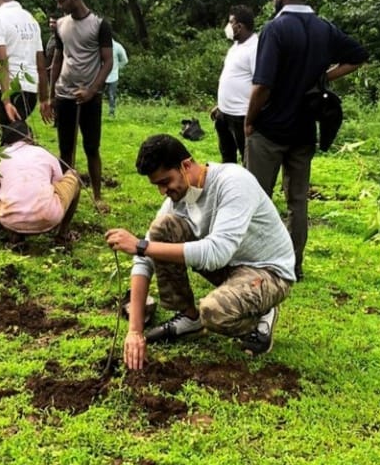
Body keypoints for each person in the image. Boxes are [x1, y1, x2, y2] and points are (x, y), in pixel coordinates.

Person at [105, 134, 296, 369]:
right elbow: (144, 259)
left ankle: (262, 314)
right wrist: (134, 331)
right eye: (157, 185)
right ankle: (189, 318)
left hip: (268, 272)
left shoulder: (233, 183)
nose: (163, 191)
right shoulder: (178, 197)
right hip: (231, 268)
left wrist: (141, 246)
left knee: (214, 312)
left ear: (186, 165)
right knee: (162, 228)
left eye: (166, 181)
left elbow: (217, 252)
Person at [245, 0, 368, 280]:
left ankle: (258, 262)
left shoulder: (276, 28)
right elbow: (357, 55)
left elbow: (262, 86)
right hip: (304, 131)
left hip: (270, 129)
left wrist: (249, 120)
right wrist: (323, 77)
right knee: (298, 203)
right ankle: (293, 266)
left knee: (257, 197)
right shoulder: (324, 28)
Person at [47, 0, 113, 208]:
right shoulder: (62, 25)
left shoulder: (99, 24)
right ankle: (67, 196)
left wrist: (92, 90)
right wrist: (51, 94)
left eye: (62, 0)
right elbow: (57, 58)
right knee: (66, 149)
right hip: (64, 94)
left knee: (91, 147)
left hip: (89, 98)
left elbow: (108, 62)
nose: (59, 5)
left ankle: (97, 196)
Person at [0, 120, 80, 244]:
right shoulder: (46, 154)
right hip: (49, 218)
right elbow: (58, 184)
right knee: (74, 176)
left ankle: (14, 233)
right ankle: (63, 234)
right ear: (30, 136)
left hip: (10, 220)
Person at [0, 0, 49, 131]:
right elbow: (41, 63)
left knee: (10, 143)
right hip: (30, 90)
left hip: (11, 88)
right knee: (17, 137)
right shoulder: (31, 20)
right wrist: (43, 99)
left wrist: (6, 101)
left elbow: (2, 61)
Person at [211, 5, 257, 163]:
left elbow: (260, 84)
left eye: (230, 22)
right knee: (227, 158)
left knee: (248, 160)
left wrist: (251, 116)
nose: (228, 26)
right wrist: (220, 106)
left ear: (240, 26)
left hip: (241, 115)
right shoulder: (235, 47)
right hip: (224, 114)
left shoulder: (254, 48)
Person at [105, 38, 128, 117]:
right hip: (101, 75)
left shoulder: (118, 47)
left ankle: (111, 113)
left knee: (111, 95)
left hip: (113, 76)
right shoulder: (99, 46)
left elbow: (125, 60)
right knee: (97, 95)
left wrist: (117, 68)